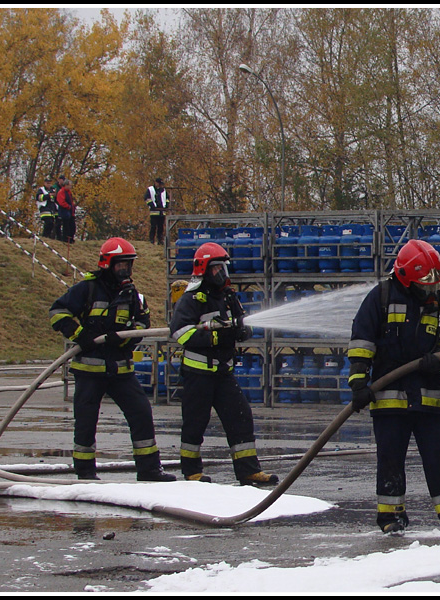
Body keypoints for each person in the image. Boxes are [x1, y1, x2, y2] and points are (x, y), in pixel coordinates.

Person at [348, 239, 440, 534]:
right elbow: (362, 340)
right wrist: (359, 382)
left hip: (430, 397)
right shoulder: (380, 298)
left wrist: (438, 357)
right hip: (389, 398)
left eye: (434, 285)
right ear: (405, 277)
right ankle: (391, 519)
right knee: (390, 459)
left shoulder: (437, 299)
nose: (431, 291)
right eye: (425, 285)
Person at [49, 237, 175, 482]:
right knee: (86, 422)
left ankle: (149, 470)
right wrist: (80, 335)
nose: (125, 270)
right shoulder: (87, 288)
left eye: (128, 265)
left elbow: (142, 324)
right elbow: (57, 311)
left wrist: (125, 341)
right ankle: (85, 473)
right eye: (121, 264)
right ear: (107, 263)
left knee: (140, 413)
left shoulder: (133, 294)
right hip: (89, 370)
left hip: (120, 370)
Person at [169, 242, 278, 486]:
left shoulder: (227, 297)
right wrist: (215, 337)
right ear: (204, 270)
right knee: (195, 424)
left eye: (224, 269)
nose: (222, 274)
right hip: (197, 374)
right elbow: (180, 333)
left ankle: (248, 470)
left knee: (240, 418)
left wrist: (242, 331)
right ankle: (192, 472)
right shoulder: (191, 299)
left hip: (223, 373)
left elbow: (241, 324)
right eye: (217, 269)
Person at [145, 177, 170, 245]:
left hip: (162, 212)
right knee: (153, 226)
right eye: (159, 183)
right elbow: (147, 198)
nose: (160, 185)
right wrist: (152, 206)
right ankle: (151, 240)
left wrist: (166, 205)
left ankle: (160, 240)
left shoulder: (163, 190)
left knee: (161, 227)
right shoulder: (150, 189)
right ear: (156, 183)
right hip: (154, 212)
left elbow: (167, 198)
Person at [56, 178, 76, 243]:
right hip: (64, 212)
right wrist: (68, 206)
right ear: (66, 185)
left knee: (72, 226)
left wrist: (72, 206)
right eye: (70, 185)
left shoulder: (69, 192)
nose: (71, 187)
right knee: (66, 226)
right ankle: (66, 238)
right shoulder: (61, 192)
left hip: (70, 212)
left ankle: (70, 238)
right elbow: (61, 202)